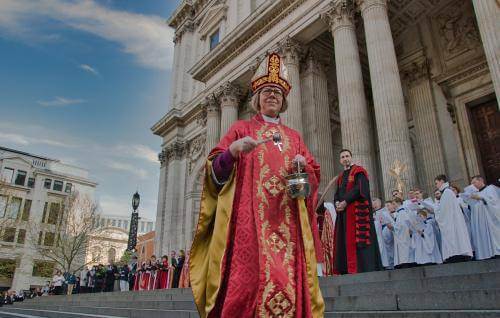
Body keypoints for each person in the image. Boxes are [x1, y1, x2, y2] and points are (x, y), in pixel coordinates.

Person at [190, 52, 324, 318]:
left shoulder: (295, 138)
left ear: (284, 99)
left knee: (289, 285)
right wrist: (233, 152)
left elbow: (310, 183)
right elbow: (213, 174)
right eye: (266, 91)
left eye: (276, 91)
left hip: (288, 230)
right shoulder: (240, 129)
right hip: (249, 228)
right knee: (247, 287)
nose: (272, 95)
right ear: (257, 99)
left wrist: (304, 167)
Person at [333, 149, 382, 274]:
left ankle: (363, 268)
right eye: (343, 157)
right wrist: (337, 202)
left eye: (347, 156)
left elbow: (359, 189)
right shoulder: (340, 177)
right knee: (343, 240)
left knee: (360, 242)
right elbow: (338, 192)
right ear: (340, 160)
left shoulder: (359, 172)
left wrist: (345, 201)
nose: (345, 158)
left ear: (351, 157)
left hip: (356, 213)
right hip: (344, 213)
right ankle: (347, 269)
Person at [434, 174, 473, 262]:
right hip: (450, 220)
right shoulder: (446, 192)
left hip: (450, 222)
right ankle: (455, 254)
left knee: (454, 237)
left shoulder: (447, 192)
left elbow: (444, 211)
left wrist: (437, 211)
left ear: (441, 181)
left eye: (436, 183)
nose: (436, 185)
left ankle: (456, 254)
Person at [469, 175, 500, 259]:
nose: (473, 185)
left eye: (474, 182)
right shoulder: (476, 193)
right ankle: (488, 253)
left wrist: (481, 198)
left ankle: (497, 252)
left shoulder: (490, 188)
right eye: (471, 184)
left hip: (491, 218)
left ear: (481, 180)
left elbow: (495, 202)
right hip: (482, 220)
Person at [393, 197, 416, 268]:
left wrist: (393, 226)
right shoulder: (400, 212)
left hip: (404, 236)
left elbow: (403, 225)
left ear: (398, 203)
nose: (393, 206)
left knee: (405, 250)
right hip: (402, 235)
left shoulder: (402, 212)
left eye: (394, 204)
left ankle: (407, 263)